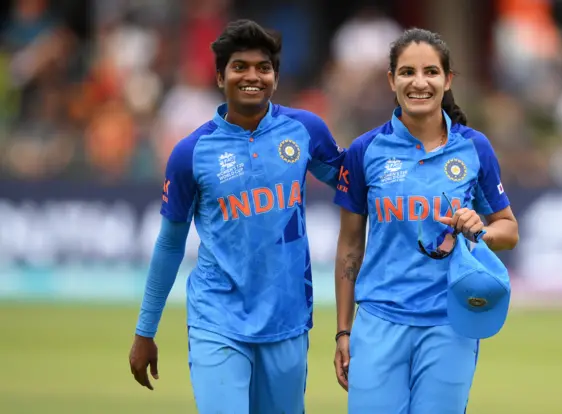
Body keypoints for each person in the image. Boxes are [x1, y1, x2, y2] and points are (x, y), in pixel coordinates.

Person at [128, 19, 344, 414]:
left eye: (263, 68)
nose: (252, 76)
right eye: (239, 66)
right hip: (217, 318)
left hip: (288, 318)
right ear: (219, 76)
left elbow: (355, 189)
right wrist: (145, 331)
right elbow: (170, 244)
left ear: (275, 78)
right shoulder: (190, 153)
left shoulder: (304, 130)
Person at [333, 28, 519, 413]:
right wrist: (343, 330)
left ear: (447, 80)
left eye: (431, 72)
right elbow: (350, 244)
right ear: (391, 80)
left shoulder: (473, 147)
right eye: (407, 72)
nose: (419, 83)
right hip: (379, 320)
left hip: (450, 323)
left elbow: (509, 230)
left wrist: (478, 229)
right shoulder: (365, 150)